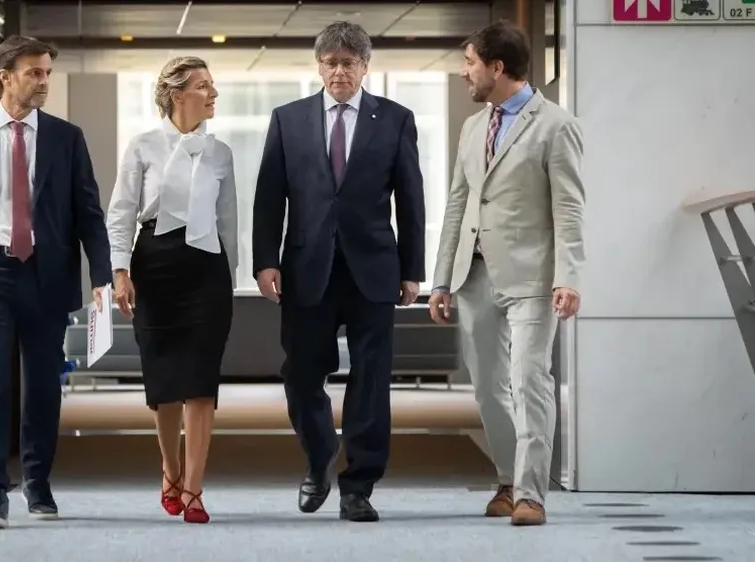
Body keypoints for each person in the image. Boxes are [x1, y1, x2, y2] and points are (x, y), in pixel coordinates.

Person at [251, 21, 426, 523]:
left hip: (374, 268)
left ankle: (359, 485)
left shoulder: (394, 119)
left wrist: (413, 267)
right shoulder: (289, 119)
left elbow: (411, 199)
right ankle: (318, 453)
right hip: (307, 267)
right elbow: (270, 197)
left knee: (371, 379)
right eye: (330, 62)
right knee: (302, 374)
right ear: (318, 66)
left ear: (365, 67)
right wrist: (266, 260)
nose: (339, 71)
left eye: (349, 63)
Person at [0, 35, 112, 529]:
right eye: (34, 73)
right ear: (6, 76)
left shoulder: (66, 137)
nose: (43, 81)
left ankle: (37, 484)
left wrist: (102, 276)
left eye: (46, 73)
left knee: (43, 384)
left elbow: (88, 213)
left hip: (46, 274)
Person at [429, 21, 585, 527]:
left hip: (533, 278)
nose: (463, 72)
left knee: (529, 380)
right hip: (473, 276)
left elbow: (570, 208)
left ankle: (532, 495)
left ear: (497, 67)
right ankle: (506, 480)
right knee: (488, 386)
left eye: (470, 62)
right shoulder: (474, 126)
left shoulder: (556, 125)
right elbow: (457, 203)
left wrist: (568, 275)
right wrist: (441, 278)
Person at [106, 56, 237, 525]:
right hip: (155, 266)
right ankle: (171, 468)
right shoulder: (143, 146)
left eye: (212, 84)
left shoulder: (220, 152)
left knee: (201, 382)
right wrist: (120, 271)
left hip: (208, 270)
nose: (213, 93)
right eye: (204, 86)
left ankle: (196, 490)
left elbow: (228, 220)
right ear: (178, 95)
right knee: (164, 383)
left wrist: (233, 277)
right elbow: (121, 212)